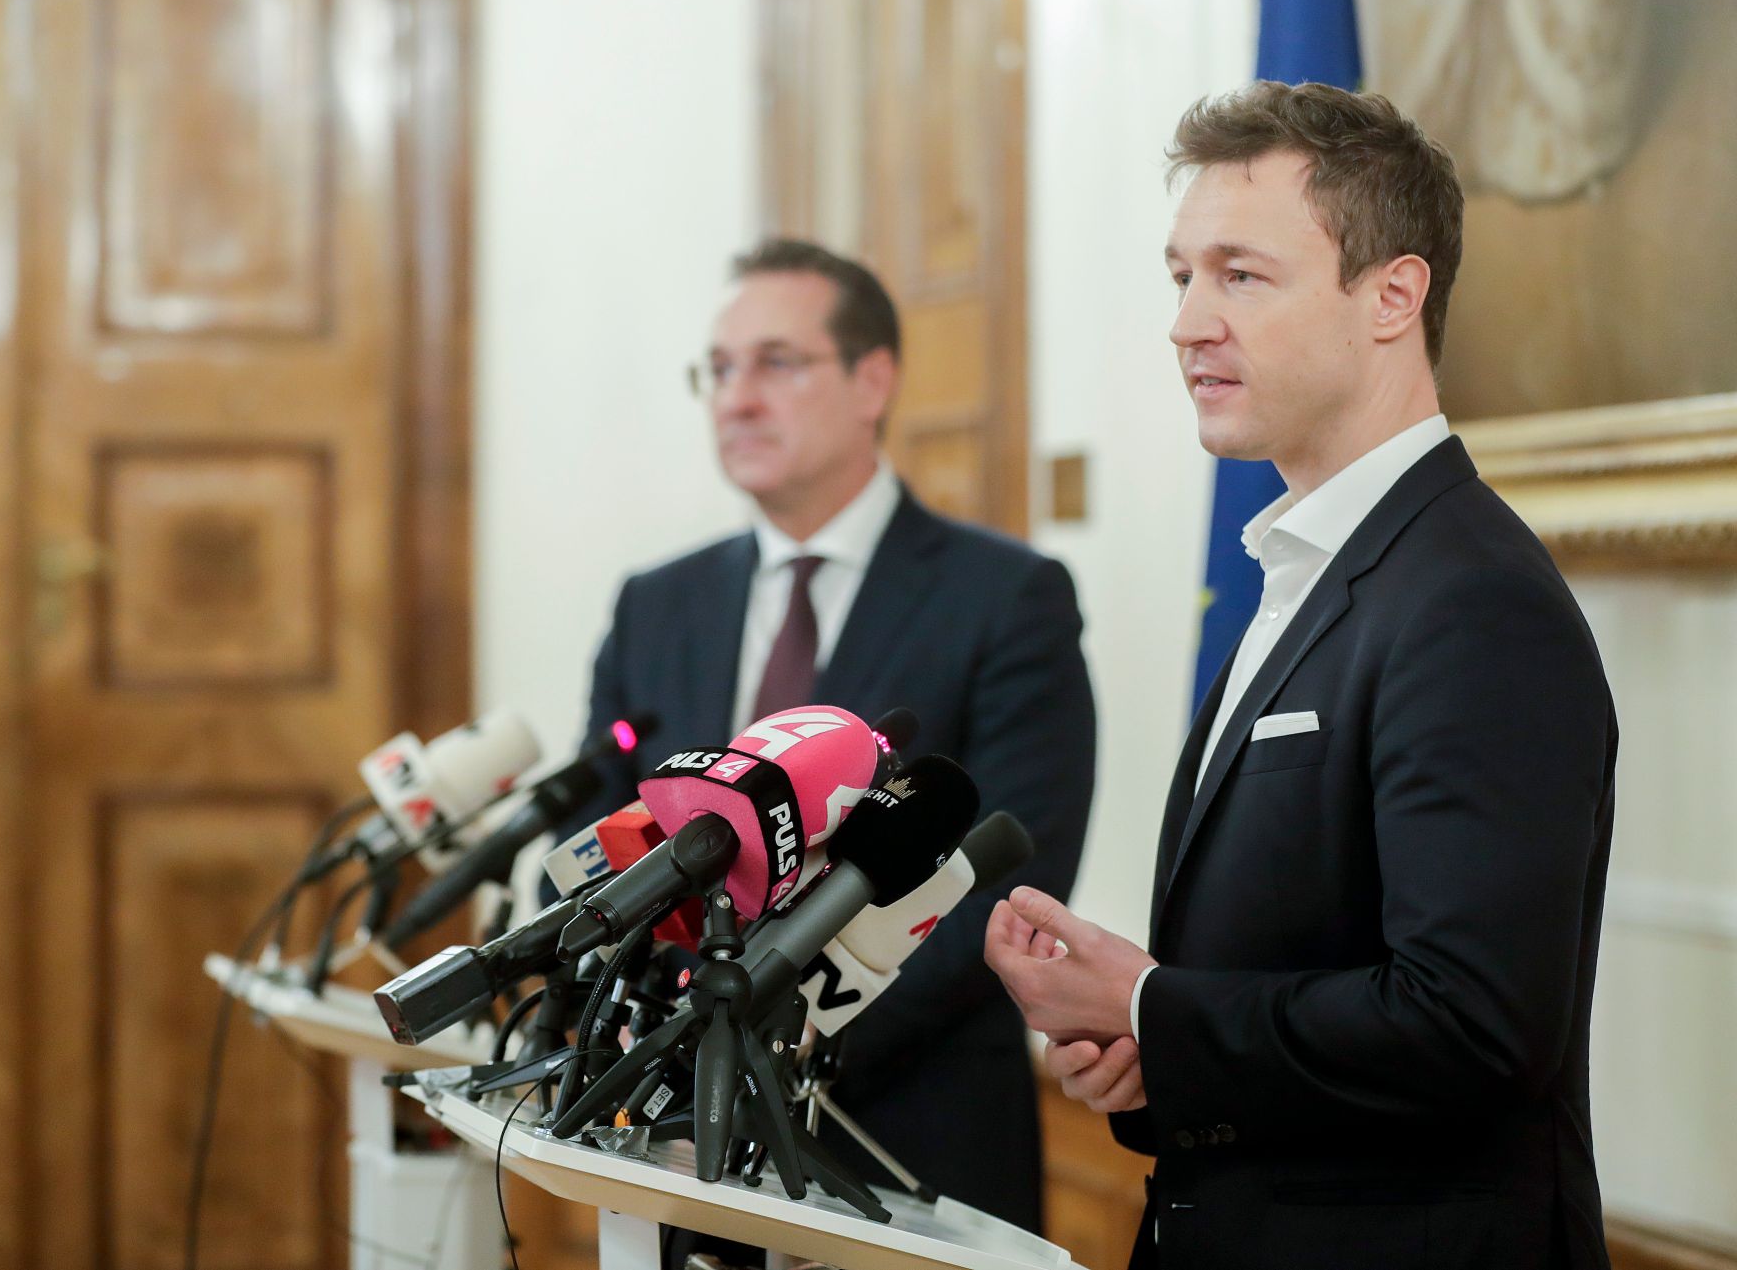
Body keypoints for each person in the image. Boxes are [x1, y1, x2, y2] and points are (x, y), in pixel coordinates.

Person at [985, 82, 1616, 1270]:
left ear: (1391, 295)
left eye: (1238, 274)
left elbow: (1471, 1026)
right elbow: (1300, 973)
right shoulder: (1304, 566)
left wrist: (1148, 1006)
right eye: (1180, 274)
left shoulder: (1469, 600)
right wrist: (1149, 1057)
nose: (1184, 322)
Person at [571, 238, 1096, 1231]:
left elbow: (1004, 882)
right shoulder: (657, 605)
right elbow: (619, 841)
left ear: (872, 381)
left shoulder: (1005, 599)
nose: (735, 397)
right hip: (676, 1149)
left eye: (775, 362)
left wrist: (772, 1035)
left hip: (909, 1142)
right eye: (718, 370)